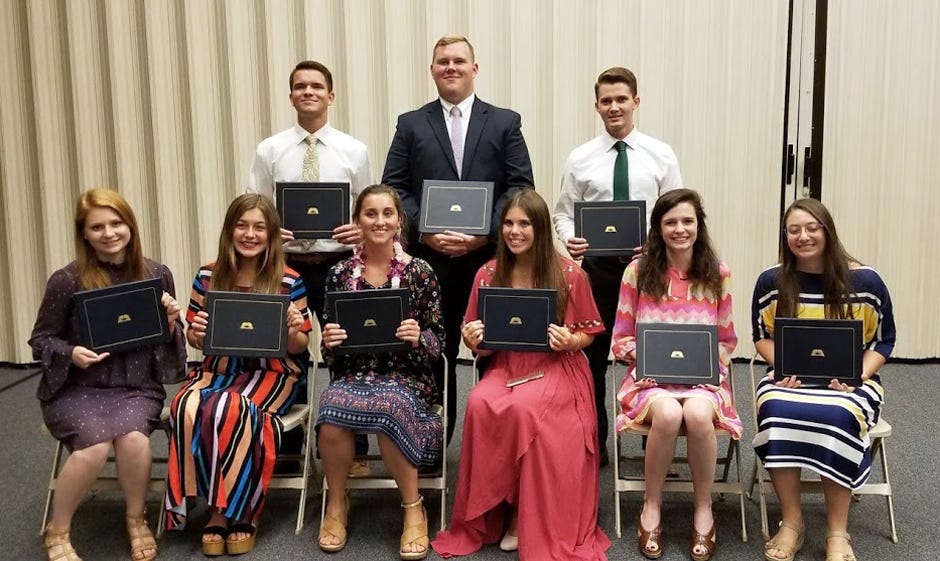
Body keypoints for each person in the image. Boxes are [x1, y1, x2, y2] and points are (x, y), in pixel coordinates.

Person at [432, 189, 610, 561]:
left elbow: (589, 333)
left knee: (526, 410)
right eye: (509, 223)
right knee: (480, 403)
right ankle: (497, 507)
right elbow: (480, 345)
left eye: (524, 224)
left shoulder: (568, 274)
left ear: (540, 228)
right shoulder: (488, 272)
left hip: (558, 367)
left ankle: (522, 514)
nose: (515, 231)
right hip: (507, 365)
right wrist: (473, 340)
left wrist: (569, 339)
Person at [382, 34, 534, 442]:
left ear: (474, 68)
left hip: (488, 261)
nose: (451, 67)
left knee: (495, 350)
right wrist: (426, 232)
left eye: (459, 61)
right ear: (432, 70)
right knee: (434, 353)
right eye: (442, 61)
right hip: (429, 263)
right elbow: (394, 190)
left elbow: (520, 189)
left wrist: (482, 233)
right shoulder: (410, 124)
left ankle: (497, 446)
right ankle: (433, 446)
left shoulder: (505, 122)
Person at [29, 188, 186, 561]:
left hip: (135, 386)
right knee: (95, 447)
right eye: (97, 226)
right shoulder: (66, 280)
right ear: (84, 233)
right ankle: (58, 531)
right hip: (78, 387)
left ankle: (136, 519)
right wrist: (70, 352)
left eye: (117, 223)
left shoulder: (156, 274)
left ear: (129, 226)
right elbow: (40, 340)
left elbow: (167, 341)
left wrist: (169, 322)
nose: (109, 233)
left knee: (135, 441)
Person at [163, 193, 313, 556]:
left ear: (273, 234)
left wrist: (294, 327)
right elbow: (198, 337)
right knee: (186, 405)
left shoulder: (290, 280)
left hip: (273, 373)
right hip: (218, 368)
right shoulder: (207, 275)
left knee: (231, 408)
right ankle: (214, 501)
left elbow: (300, 346)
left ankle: (234, 509)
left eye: (259, 227)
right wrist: (195, 334)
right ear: (229, 230)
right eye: (242, 225)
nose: (250, 234)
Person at [752, 198, 896, 561]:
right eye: (794, 230)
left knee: (839, 415)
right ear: (785, 236)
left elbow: (884, 340)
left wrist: (858, 375)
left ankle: (837, 530)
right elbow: (761, 337)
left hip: (852, 383)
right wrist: (782, 366)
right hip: (790, 379)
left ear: (827, 231)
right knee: (775, 407)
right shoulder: (772, 281)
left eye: (811, 228)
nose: (803, 236)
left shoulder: (865, 280)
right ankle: (792, 522)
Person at [553, 67, 683, 466]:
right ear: (597, 106)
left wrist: (659, 243)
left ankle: (653, 446)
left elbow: (678, 210)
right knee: (589, 360)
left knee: (651, 357)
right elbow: (562, 214)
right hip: (598, 271)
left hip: (650, 271)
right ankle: (594, 444)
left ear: (635, 102)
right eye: (606, 101)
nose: (614, 107)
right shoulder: (580, 158)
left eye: (621, 99)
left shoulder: (661, 155)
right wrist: (571, 239)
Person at [248, 60, 373, 474]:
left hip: (339, 264)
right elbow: (255, 206)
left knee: (345, 351)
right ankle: (289, 446)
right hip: (287, 266)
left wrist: (358, 230)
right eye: (300, 86)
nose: (308, 92)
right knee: (289, 352)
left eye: (317, 86)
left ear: (330, 96)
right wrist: (269, 229)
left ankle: (352, 447)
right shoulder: (270, 150)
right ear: (291, 97)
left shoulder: (354, 150)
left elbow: (367, 209)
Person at [610, 189, 741, 561]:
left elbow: (727, 340)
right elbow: (620, 340)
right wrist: (649, 359)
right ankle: (651, 506)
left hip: (704, 382)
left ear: (699, 226)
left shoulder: (718, 273)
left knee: (698, 414)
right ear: (658, 228)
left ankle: (704, 508)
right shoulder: (637, 272)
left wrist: (705, 368)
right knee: (668, 413)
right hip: (650, 382)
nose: (679, 229)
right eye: (670, 222)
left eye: (687, 221)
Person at [315, 184, 445, 560]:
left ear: (399, 220)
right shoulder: (340, 274)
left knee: (389, 407)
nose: (379, 221)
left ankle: (413, 508)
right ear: (358, 221)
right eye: (370, 214)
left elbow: (440, 342)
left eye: (387, 213)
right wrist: (332, 339)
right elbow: (328, 351)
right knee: (331, 413)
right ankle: (337, 504)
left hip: (409, 378)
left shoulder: (420, 273)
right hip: (354, 377)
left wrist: (419, 336)